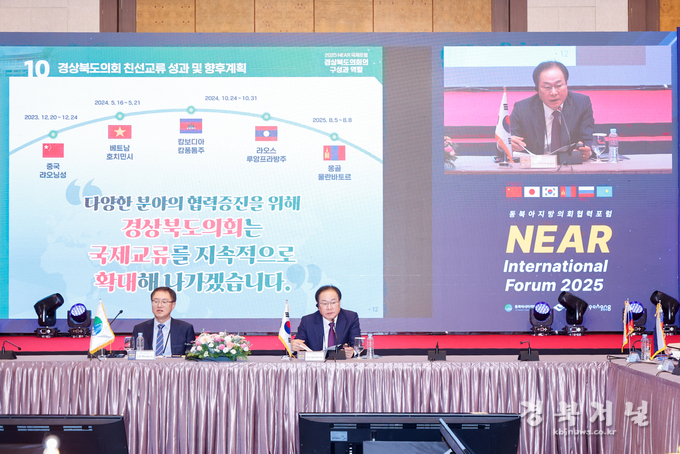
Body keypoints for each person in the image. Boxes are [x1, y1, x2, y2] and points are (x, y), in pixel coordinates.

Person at [509, 61, 594, 161]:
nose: (553, 93)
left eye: (559, 86)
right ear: (537, 88)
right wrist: (506, 145)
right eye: (547, 87)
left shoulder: (581, 104)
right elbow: (510, 143)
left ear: (566, 84)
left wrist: (587, 151)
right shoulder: (522, 109)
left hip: (569, 165)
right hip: (536, 167)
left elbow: (588, 140)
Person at [292, 285, 361, 359]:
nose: (329, 308)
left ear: (339, 302)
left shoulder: (350, 318)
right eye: (324, 303)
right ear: (318, 305)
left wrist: (352, 352)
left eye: (333, 302)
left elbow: (356, 345)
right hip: (315, 364)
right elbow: (298, 347)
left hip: (341, 363)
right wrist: (293, 346)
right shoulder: (307, 321)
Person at [132, 286, 196, 356]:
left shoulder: (185, 329)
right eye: (156, 301)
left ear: (173, 305)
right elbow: (133, 355)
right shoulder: (139, 328)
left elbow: (191, 356)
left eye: (164, 302)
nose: (159, 305)